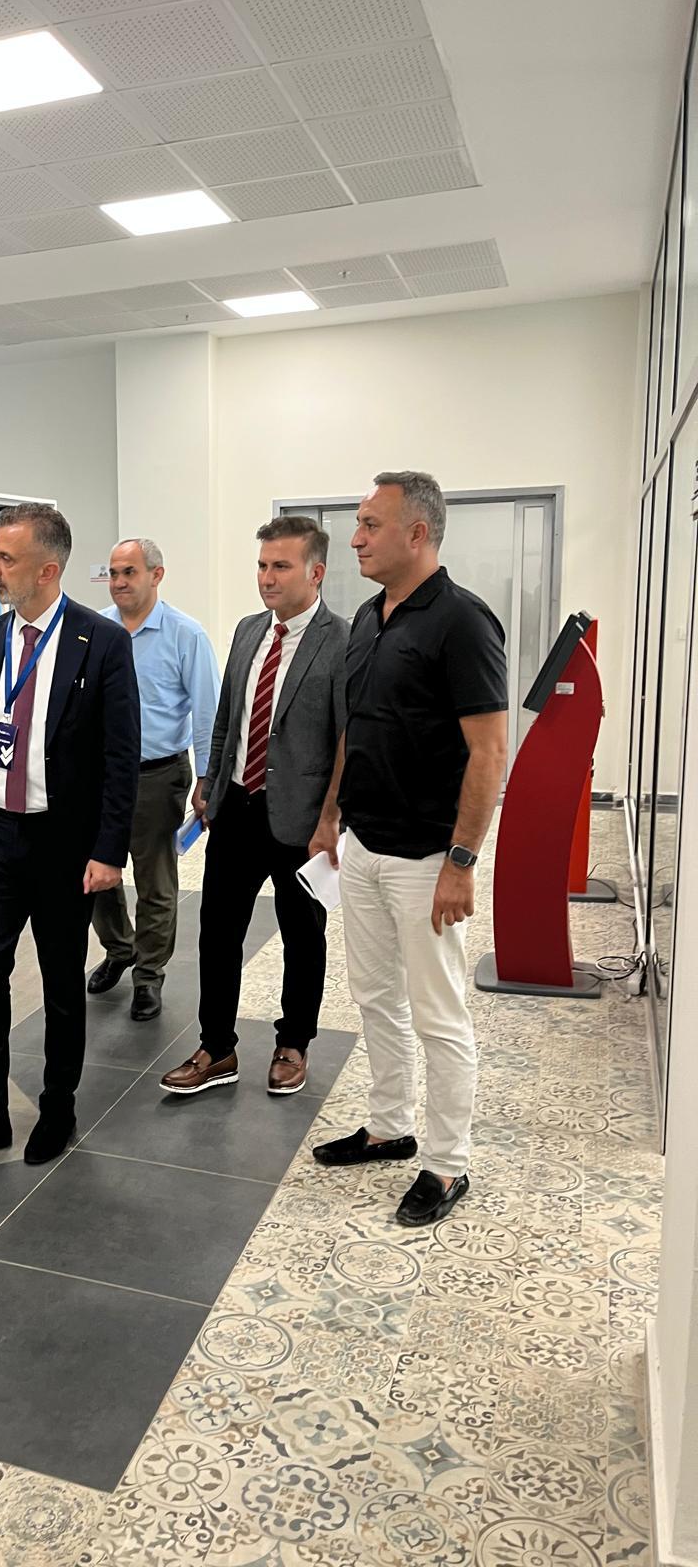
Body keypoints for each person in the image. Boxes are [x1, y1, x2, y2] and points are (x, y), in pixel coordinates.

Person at [311, 471, 507, 1227]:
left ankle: (448, 1164)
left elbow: (489, 751)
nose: (355, 538)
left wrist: (462, 862)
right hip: (363, 845)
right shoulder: (369, 616)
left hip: (428, 857)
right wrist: (331, 816)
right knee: (375, 997)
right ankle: (389, 1126)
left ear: (417, 533)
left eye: (370, 525)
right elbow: (354, 727)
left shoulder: (463, 622)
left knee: (439, 1015)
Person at [0, 503, 139, 1168]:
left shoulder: (101, 641)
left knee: (61, 983)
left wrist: (108, 850)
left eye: (5, 559)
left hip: (62, 846)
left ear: (47, 570)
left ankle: (58, 1107)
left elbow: (120, 756)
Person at [159, 515, 348, 1098]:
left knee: (302, 935)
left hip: (302, 818)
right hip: (238, 806)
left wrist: (331, 820)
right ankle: (217, 1047)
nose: (267, 577)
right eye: (262, 565)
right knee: (217, 932)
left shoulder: (342, 640)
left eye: (281, 566)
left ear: (316, 572)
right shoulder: (247, 631)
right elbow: (228, 717)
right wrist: (211, 780)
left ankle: (294, 1043)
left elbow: (348, 740)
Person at [88, 538, 220, 1021]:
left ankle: (148, 975)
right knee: (96, 872)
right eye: (113, 573)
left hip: (158, 775)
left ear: (156, 575)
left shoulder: (186, 634)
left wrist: (206, 778)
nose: (119, 582)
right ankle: (119, 949)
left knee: (155, 883)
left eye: (130, 572)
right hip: (100, 777)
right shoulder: (96, 630)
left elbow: (207, 712)